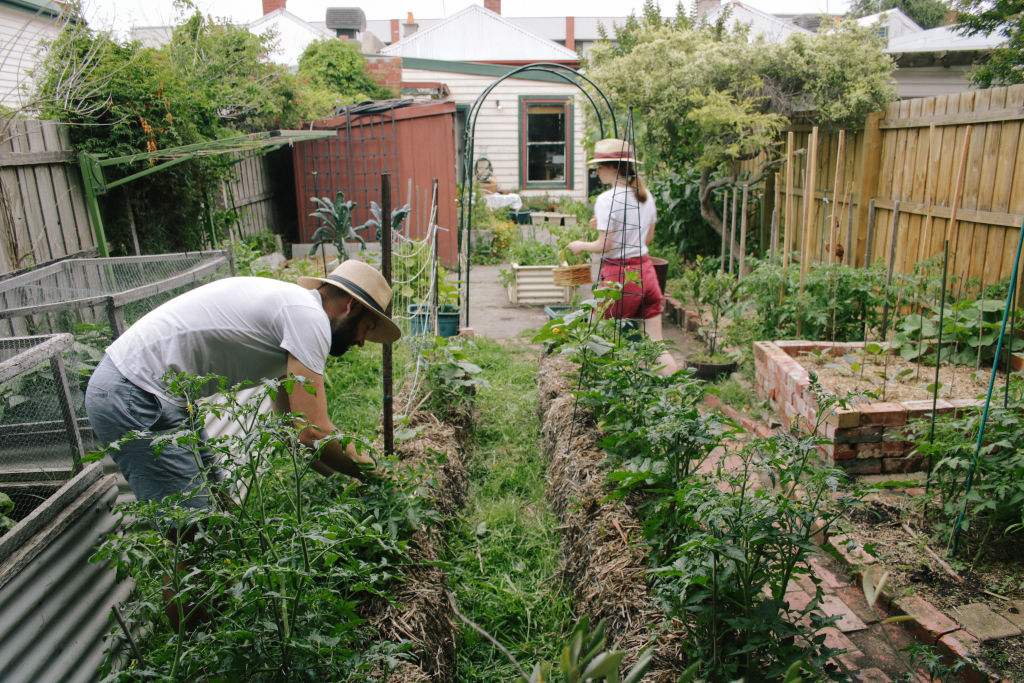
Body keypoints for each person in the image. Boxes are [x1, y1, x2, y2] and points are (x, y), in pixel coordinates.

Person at [86, 259, 401, 509]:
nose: (362, 342)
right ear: (351, 306)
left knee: (219, 513)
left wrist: (347, 485)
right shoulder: (308, 318)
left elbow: (293, 433)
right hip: (134, 391)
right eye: (367, 328)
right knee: (192, 533)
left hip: (153, 391)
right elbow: (313, 432)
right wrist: (383, 478)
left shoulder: (292, 314)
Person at [567, 138, 678, 375]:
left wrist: (581, 246)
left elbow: (605, 245)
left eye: (599, 166)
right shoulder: (645, 196)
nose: (596, 172)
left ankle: (597, 395)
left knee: (596, 338)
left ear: (613, 167)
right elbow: (647, 239)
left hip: (619, 277)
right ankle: (676, 395)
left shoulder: (607, 199)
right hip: (646, 274)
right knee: (657, 346)